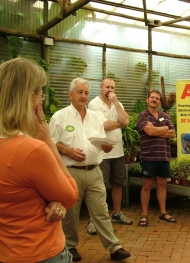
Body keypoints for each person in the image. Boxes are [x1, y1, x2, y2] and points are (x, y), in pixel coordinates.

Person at [0, 58, 78, 263]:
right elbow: (70, 195)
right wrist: (46, 139)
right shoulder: (30, 150)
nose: (42, 99)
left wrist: (51, 197)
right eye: (40, 92)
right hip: (39, 251)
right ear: (28, 97)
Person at [49, 78, 130, 261]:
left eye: (86, 92)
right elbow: (51, 142)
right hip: (71, 172)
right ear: (70, 95)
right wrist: (67, 150)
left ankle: (114, 247)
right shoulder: (60, 117)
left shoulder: (95, 117)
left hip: (94, 170)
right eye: (79, 92)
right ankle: (70, 246)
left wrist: (105, 147)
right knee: (71, 212)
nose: (83, 96)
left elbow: (99, 139)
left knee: (101, 209)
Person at [88, 78, 132, 232]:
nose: (110, 90)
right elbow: (103, 125)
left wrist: (117, 104)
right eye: (107, 87)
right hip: (102, 153)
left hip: (118, 152)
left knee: (118, 184)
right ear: (101, 87)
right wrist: (119, 123)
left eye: (112, 87)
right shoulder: (94, 104)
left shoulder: (116, 103)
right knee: (100, 186)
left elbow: (126, 120)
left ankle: (117, 214)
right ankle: (94, 219)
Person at [137, 90, 176, 226]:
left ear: (159, 102)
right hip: (149, 156)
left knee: (162, 184)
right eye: (152, 97)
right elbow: (149, 131)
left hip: (163, 156)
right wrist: (163, 129)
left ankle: (163, 212)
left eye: (157, 98)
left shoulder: (164, 115)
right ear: (147, 100)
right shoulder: (143, 115)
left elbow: (172, 134)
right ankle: (144, 214)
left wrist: (157, 130)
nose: (154, 100)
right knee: (147, 185)